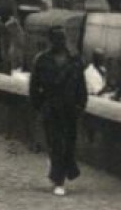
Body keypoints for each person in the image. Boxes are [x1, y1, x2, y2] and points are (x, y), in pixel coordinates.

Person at [29, 26, 88, 196]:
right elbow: (34, 88)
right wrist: (41, 107)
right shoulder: (42, 61)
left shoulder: (75, 62)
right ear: (51, 41)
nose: (59, 42)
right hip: (51, 108)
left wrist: (80, 106)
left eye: (61, 39)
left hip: (70, 109)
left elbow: (81, 88)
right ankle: (59, 179)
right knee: (56, 143)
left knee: (68, 144)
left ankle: (61, 171)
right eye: (56, 39)